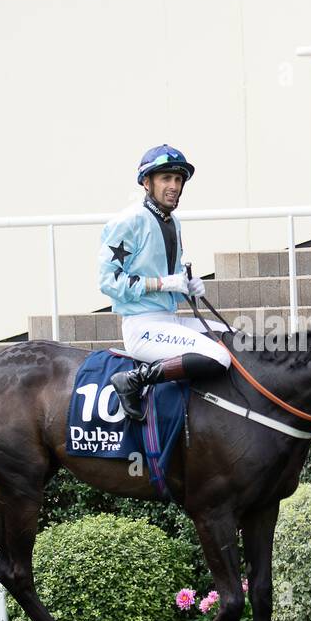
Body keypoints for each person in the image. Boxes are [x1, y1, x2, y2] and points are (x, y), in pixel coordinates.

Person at [98, 144, 230, 421]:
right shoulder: (128, 222)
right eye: (165, 178)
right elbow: (109, 282)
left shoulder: (173, 222)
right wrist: (162, 283)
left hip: (169, 320)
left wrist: (187, 285)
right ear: (147, 183)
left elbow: (172, 277)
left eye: (178, 179)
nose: (174, 186)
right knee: (220, 357)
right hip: (142, 327)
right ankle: (133, 380)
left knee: (235, 339)